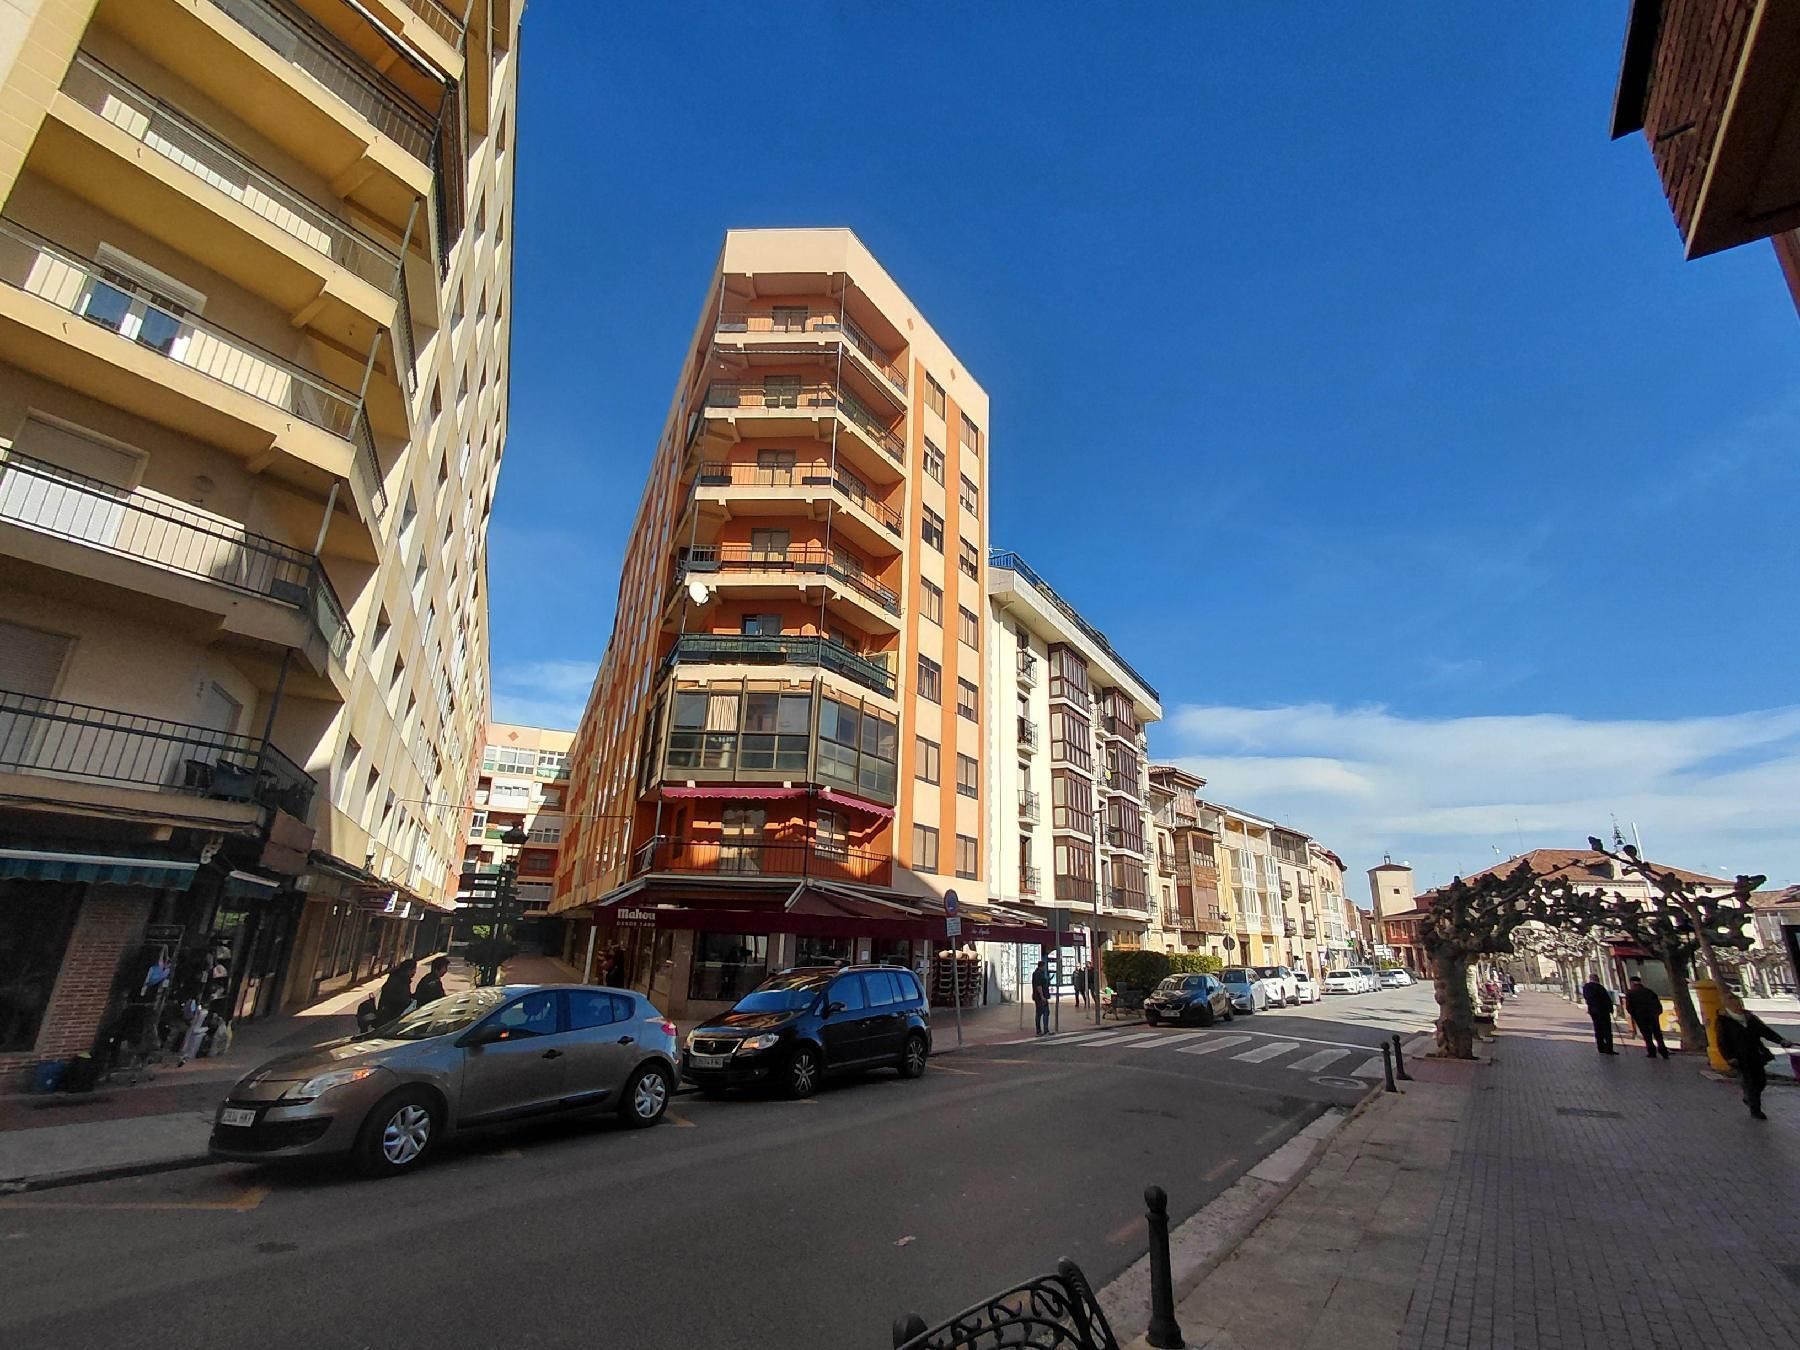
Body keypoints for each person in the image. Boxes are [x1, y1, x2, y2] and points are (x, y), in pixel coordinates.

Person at [1715, 1001, 1793, 1121]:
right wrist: (1729, 1057)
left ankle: (1748, 1098)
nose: (1739, 1007)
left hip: (1756, 1054)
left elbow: (1766, 1031)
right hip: (1740, 1057)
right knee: (1751, 1082)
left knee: (1761, 1081)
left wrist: (1781, 1040)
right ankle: (1755, 1110)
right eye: (1735, 1005)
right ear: (1728, 1007)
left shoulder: (1750, 1018)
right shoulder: (1723, 1021)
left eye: (1740, 1004)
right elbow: (1722, 1041)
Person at [1623, 976, 1668, 1059]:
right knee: (1657, 1034)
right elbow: (1657, 1004)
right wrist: (1657, 1013)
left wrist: (1634, 1015)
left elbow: (1629, 1007)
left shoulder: (1631, 993)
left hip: (1641, 1017)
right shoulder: (1649, 991)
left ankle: (1652, 1052)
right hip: (1652, 1016)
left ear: (1632, 983)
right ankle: (1663, 1051)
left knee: (1647, 1035)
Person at [1580, 973, 1617, 1054]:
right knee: (1607, 1030)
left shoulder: (1586, 987)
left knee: (1598, 1029)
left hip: (1593, 1011)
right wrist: (1610, 1009)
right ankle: (1608, 1048)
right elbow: (1606, 999)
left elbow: (1587, 998)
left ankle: (1601, 1047)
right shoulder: (1600, 987)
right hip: (1603, 1011)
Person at [375, 959, 416, 1027]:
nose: (415, 972)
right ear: (409, 970)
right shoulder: (400, 981)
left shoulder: (398, 978)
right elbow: (400, 998)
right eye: (414, 969)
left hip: (390, 1015)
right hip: (391, 1017)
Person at [1031, 956, 1051, 1036]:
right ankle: (1044, 1030)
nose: (1044, 968)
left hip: (1038, 996)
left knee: (1039, 1013)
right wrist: (1042, 996)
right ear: (1041, 966)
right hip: (1040, 997)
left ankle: (1040, 1030)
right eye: (1044, 967)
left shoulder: (1036, 973)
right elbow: (1038, 986)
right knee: (1045, 1012)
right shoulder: (1038, 974)